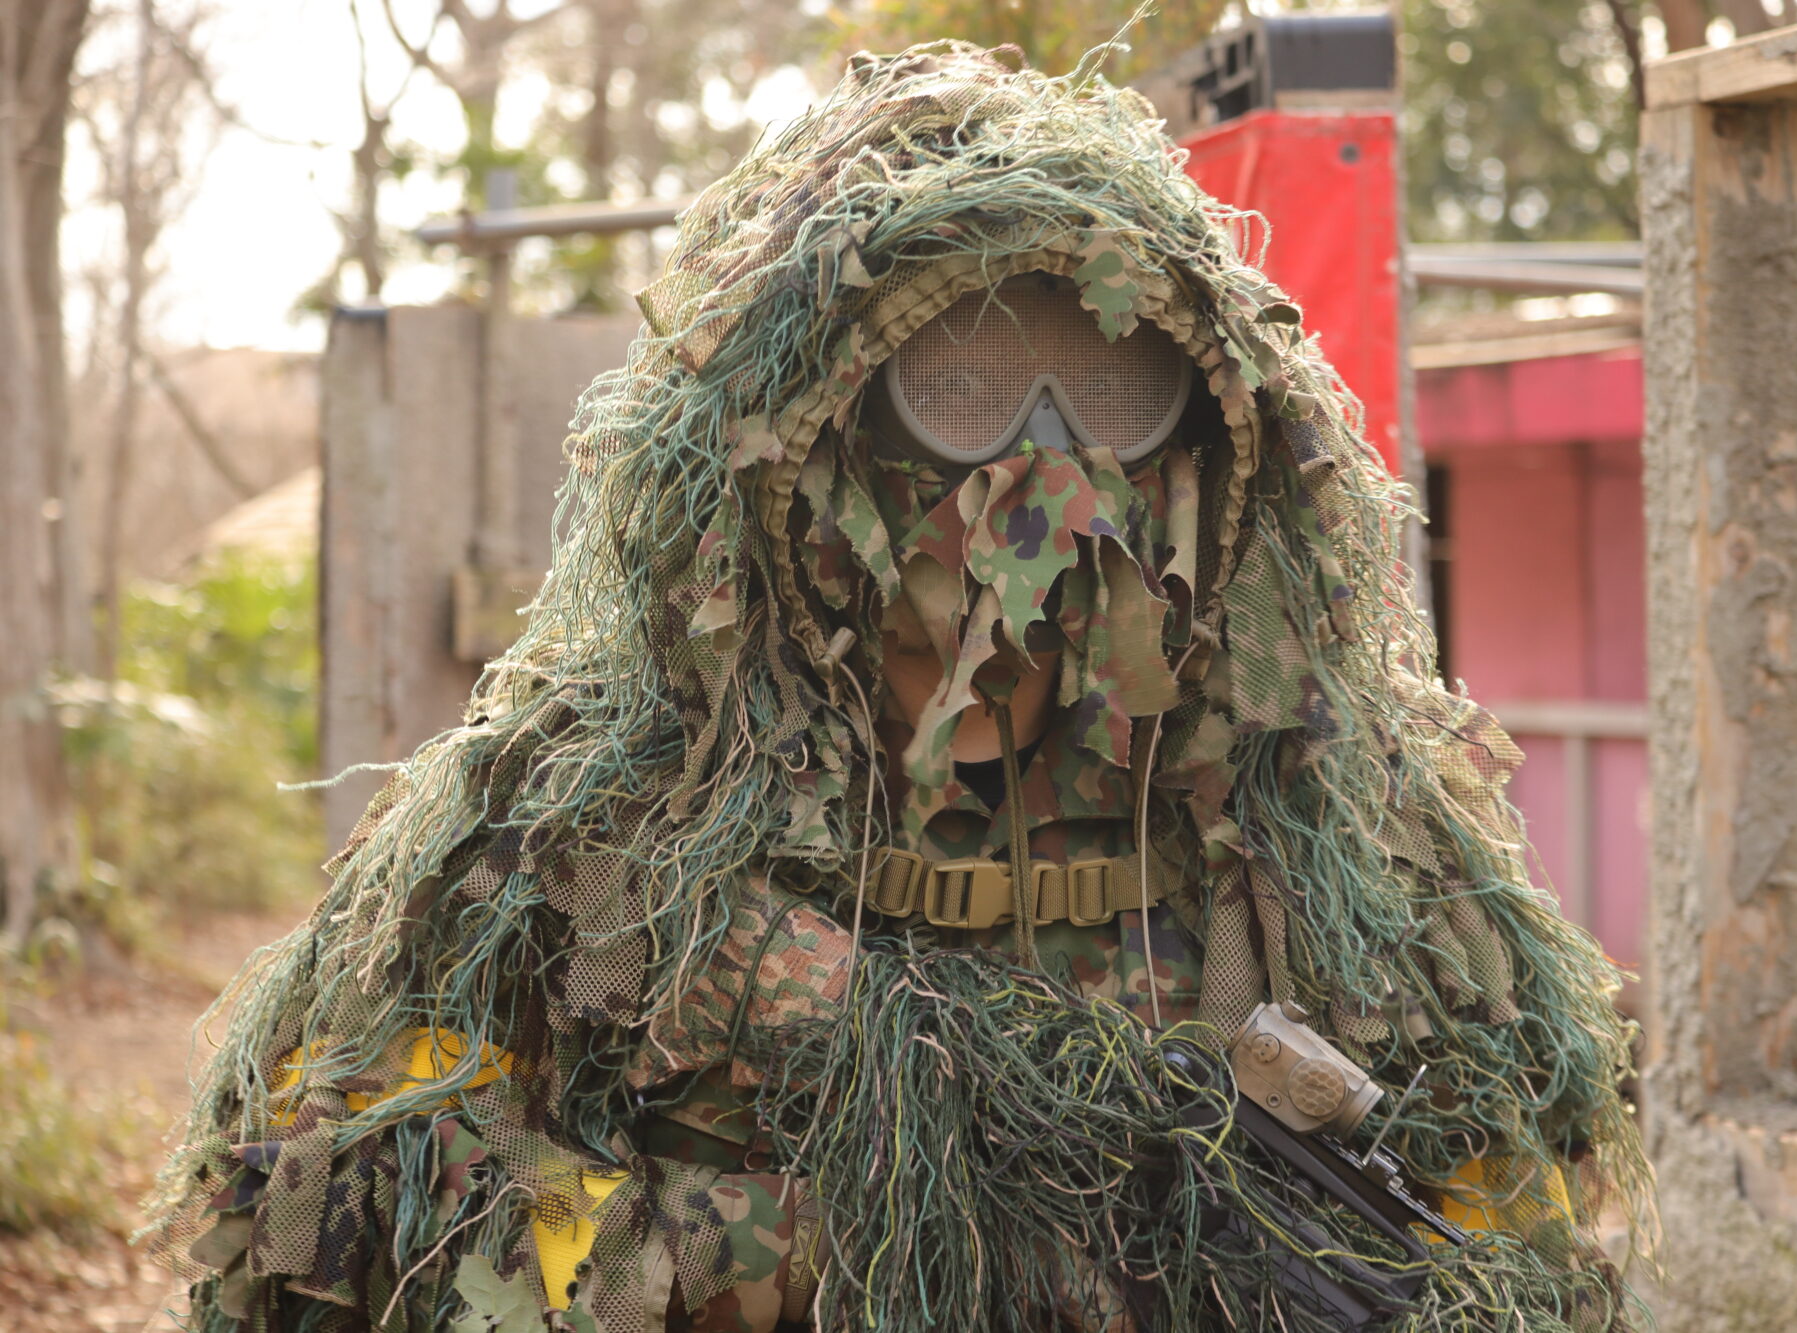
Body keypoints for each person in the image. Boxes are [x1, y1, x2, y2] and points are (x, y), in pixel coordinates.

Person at [148, 42, 1651, 1333]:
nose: (1045, 482)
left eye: (1112, 391)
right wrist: (775, 1248)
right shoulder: (577, 831)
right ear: (813, 463)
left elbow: (1509, 1228)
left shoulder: (1325, 833)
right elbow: (349, 1213)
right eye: (964, 392)